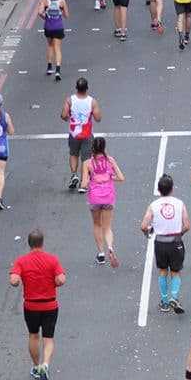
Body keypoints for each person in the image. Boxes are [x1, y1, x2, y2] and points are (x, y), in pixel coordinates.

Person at [9, 229, 66, 380]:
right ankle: (46, 364)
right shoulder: (52, 260)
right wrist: (53, 283)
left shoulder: (21, 261)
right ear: (42, 243)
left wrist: (19, 280)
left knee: (33, 336)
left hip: (31, 306)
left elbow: (14, 280)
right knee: (48, 338)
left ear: (29, 244)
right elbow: (61, 279)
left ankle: (36, 367)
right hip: (50, 305)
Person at [141, 174, 190, 315]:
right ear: (172, 189)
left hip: (160, 243)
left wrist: (150, 231)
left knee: (162, 271)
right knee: (176, 272)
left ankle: (164, 302)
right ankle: (174, 297)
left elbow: (143, 225)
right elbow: (187, 225)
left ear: (159, 189)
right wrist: (179, 234)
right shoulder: (179, 204)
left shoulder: (153, 206)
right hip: (176, 241)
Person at [81, 136, 124, 266]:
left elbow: (83, 184)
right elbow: (121, 177)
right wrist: (109, 179)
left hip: (94, 197)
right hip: (108, 196)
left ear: (92, 147)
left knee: (97, 224)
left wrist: (91, 180)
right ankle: (110, 247)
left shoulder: (87, 163)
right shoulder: (110, 160)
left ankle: (100, 254)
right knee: (107, 227)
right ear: (104, 147)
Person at [61, 78, 101, 192]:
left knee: (73, 154)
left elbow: (63, 115)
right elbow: (98, 118)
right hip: (87, 133)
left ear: (76, 88)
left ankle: (74, 174)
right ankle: (84, 182)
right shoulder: (92, 101)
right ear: (87, 88)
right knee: (86, 158)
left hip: (74, 133)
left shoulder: (70, 100)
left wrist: (71, 119)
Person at [37, 0, 69, 80]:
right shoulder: (62, 1)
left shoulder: (45, 1)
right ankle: (58, 70)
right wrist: (61, 13)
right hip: (58, 27)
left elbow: (39, 12)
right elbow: (67, 15)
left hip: (48, 27)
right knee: (57, 48)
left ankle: (49, 67)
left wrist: (45, 18)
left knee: (50, 45)